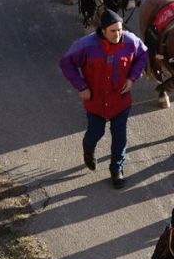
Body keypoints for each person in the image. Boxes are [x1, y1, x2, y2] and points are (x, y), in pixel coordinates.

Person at [59, 9, 149, 187]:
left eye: (120, 30)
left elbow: (143, 55)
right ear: (103, 31)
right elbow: (66, 63)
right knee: (95, 132)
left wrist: (132, 78)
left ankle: (116, 169)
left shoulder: (131, 41)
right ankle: (88, 150)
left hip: (120, 100)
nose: (118, 35)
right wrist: (81, 86)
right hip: (96, 100)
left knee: (120, 136)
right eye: (113, 31)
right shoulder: (85, 45)